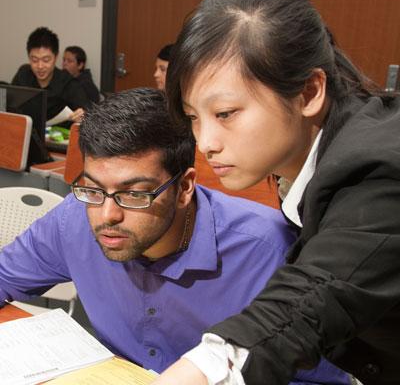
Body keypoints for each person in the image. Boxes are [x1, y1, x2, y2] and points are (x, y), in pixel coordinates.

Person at [0, 88, 350, 383]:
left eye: (135, 194)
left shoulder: (270, 251)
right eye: (93, 189)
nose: (108, 215)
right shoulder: (76, 218)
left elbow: (326, 378)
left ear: (184, 187)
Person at [151, 0, 400, 384]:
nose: (205, 143)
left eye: (226, 113)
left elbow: (314, 294)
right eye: (193, 116)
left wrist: (204, 368)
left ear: (309, 92)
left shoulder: (379, 170)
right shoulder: (316, 154)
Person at [12, 27, 89, 124]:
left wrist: (82, 116)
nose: (40, 66)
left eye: (46, 60)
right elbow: (9, 105)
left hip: (58, 137)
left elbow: (87, 113)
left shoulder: (68, 83)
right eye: (34, 60)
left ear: (56, 57)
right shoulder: (23, 75)